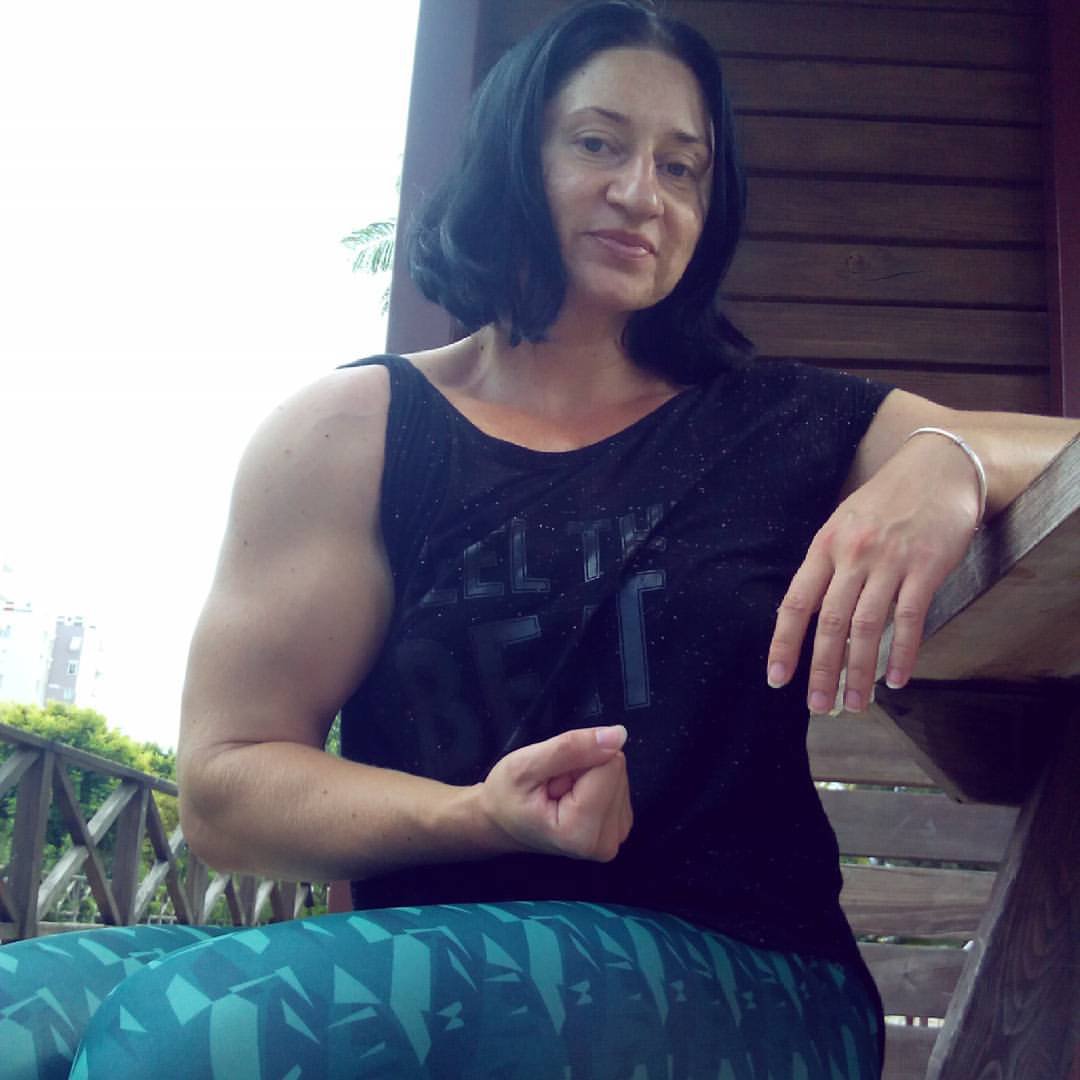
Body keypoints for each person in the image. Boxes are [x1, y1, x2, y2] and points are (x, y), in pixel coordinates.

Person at [3, 2, 1077, 1077]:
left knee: (188, 1031)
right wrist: (479, 817)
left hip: (752, 978)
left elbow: (1057, 450)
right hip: (409, 967)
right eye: (599, 143)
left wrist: (951, 459)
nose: (642, 193)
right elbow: (226, 792)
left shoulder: (775, 422)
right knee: (21, 1017)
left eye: (682, 167)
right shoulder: (351, 434)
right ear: (513, 154)